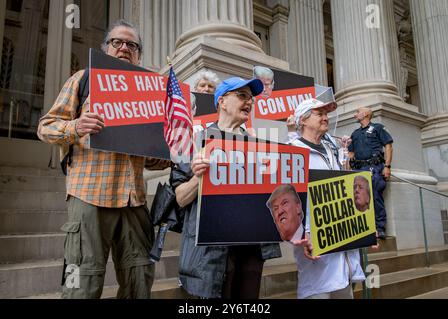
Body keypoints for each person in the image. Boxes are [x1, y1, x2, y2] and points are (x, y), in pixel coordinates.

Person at [37, 19, 168, 299]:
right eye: (117, 42)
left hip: (133, 199)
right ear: (105, 48)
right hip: (89, 195)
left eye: (132, 45)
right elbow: (46, 127)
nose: (124, 48)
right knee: (81, 283)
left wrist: (170, 151)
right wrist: (76, 126)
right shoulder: (84, 78)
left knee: (139, 280)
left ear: (139, 54)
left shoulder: (148, 93)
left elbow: (151, 160)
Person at [171, 77, 281, 299]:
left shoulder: (260, 147)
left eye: (251, 98)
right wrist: (198, 178)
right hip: (212, 252)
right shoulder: (195, 142)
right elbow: (181, 198)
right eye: (241, 96)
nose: (249, 102)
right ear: (221, 101)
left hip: (250, 247)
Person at [286, 97, 365, 299]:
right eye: (319, 113)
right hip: (314, 243)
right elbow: (286, 200)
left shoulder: (333, 151)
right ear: (302, 120)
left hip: (343, 242)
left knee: (344, 291)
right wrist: (302, 235)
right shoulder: (291, 150)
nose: (325, 117)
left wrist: (364, 226)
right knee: (318, 292)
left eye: (326, 113)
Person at [348, 107, 394, 239]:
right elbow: (351, 154)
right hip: (358, 169)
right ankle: (363, 228)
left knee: (375, 197)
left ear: (366, 114)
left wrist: (387, 166)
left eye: (357, 111)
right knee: (358, 199)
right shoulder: (355, 133)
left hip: (375, 168)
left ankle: (379, 228)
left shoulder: (378, 128)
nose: (355, 114)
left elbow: (388, 146)